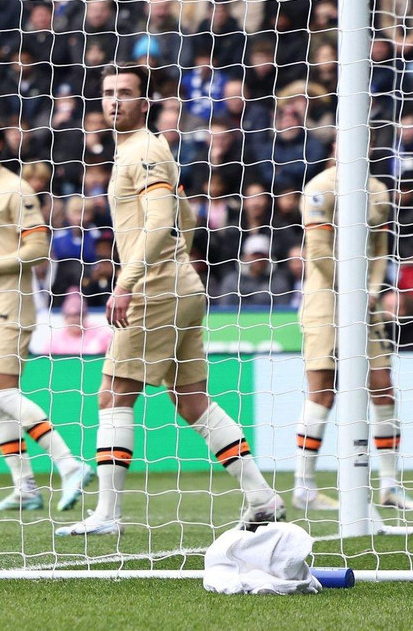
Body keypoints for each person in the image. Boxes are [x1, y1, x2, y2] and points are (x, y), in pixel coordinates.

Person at [58, 66, 284, 537]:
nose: (114, 101)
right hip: (181, 285)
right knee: (190, 399)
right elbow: (185, 215)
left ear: (146, 103)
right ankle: (262, 497)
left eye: (125, 93)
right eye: (107, 93)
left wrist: (126, 281)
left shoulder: (142, 150)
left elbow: (162, 222)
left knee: (114, 393)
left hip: (155, 288)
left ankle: (109, 514)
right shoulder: (152, 150)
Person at [0, 109, 92, 515]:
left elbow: (37, 249)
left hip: (11, 301)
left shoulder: (16, 189)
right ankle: (25, 488)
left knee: (2, 390)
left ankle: (69, 464)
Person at [293, 157, 413, 512]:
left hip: (365, 302)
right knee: (322, 389)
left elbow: (380, 250)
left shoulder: (378, 191)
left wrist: (372, 288)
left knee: (382, 385)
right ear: (336, 145)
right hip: (325, 301)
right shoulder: (320, 187)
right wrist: (349, 289)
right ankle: (303, 486)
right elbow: (317, 250)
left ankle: (390, 486)